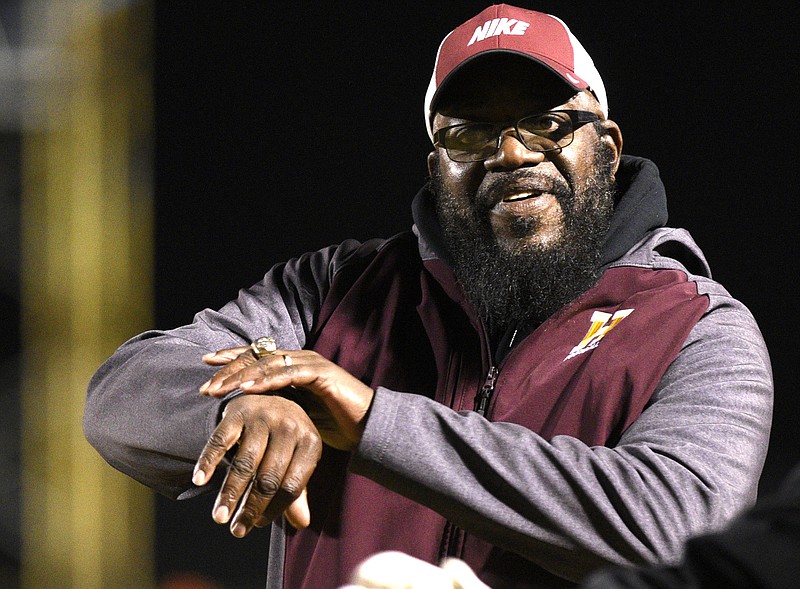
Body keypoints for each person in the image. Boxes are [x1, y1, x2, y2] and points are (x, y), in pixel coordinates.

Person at [83, 4, 773, 588]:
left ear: (609, 149)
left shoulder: (698, 327)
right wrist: (246, 403)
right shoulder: (336, 290)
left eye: (547, 124)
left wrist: (373, 421)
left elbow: (676, 525)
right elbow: (121, 394)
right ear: (436, 167)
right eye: (469, 132)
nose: (511, 152)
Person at [341, 461, 800, 589]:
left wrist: (371, 418)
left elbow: (678, 537)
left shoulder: (698, 318)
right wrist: (271, 388)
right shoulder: (334, 278)